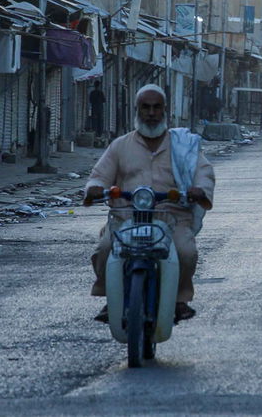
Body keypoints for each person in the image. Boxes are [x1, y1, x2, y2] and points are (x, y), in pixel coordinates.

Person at [84, 85, 215, 323]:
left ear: (165, 110)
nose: (151, 113)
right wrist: (94, 188)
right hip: (126, 217)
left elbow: (202, 172)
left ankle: (178, 300)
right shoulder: (120, 145)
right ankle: (110, 297)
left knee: (186, 252)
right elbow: (100, 175)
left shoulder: (183, 145)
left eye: (157, 107)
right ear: (138, 110)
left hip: (171, 217)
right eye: (146, 107)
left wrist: (199, 190)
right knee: (104, 249)